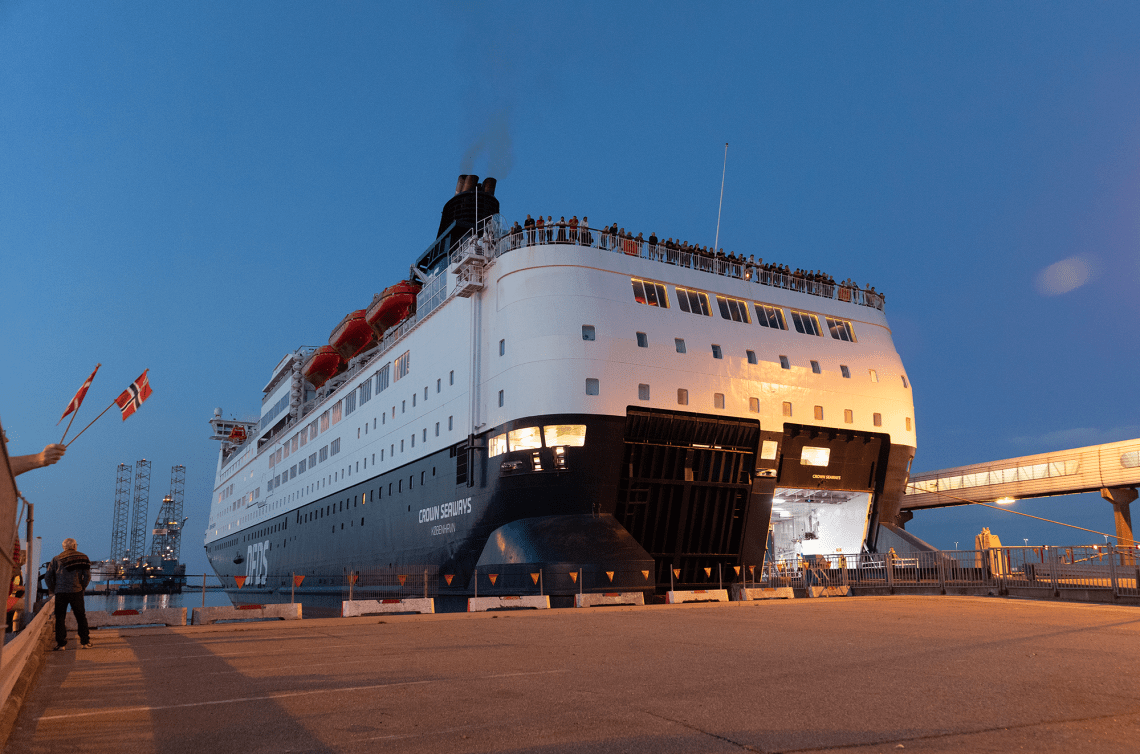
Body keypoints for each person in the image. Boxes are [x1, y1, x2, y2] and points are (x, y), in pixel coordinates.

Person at [46, 537, 91, 650]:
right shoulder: (82, 557)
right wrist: (82, 587)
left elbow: (48, 576)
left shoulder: (56, 559)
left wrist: (54, 588)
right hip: (76, 591)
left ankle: (61, 644)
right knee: (81, 617)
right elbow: (87, 576)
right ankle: (85, 642)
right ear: (75, 546)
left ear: (63, 547)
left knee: (60, 618)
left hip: (60, 593)